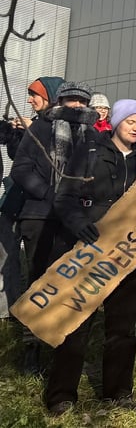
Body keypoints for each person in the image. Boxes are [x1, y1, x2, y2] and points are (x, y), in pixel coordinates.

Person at [44, 100, 136, 415]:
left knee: (122, 329)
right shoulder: (89, 153)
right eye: (131, 121)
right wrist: (79, 225)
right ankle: (61, 395)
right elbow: (64, 198)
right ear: (117, 122)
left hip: (128, 258)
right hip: (89, 253)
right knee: (75, 326)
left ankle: (118, 393)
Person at [11, 80, 97, 373]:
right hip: (41, 216)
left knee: (72, 285)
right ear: (60, 101)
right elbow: (21, 169)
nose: (77, 105)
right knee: (38, 282)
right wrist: (50, 194)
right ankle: (31, 350)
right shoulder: (41, 128)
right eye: (71, 99)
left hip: (76, 220)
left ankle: (66, 351)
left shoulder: (93, 135)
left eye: (82, 101)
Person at [0, 76, 63, 323]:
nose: (29, 100)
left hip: (41, 209)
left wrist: (31, 131)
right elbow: (19, 160)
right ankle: (10, 314)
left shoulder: (59, 128)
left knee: (39, 266)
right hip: (16, 204)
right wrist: (16, 134)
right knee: (6, 258)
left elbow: (51, 162)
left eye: (35, 95)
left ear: (50, 97)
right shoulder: (35, 124)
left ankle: (37, 321)